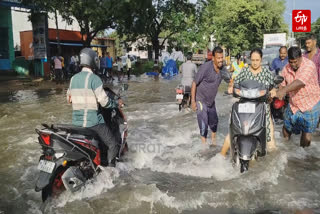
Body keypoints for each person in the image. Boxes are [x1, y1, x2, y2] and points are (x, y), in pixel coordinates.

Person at [67, 48, 122, 167]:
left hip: (76, 123)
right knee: (113, 144)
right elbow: (104, 102)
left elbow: (69, 100)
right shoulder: (94, 79)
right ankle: (111, 173)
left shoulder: (73, 79)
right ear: (93, 60)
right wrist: (116, 104)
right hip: (93, 122)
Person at [221, 48, 277, 157]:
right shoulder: (245, 71)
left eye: (257, 60)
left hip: (262, 107)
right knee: (231, 135)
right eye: (253, 60)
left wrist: (273, 91)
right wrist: (231, 86)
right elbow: (235, 82)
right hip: (244, 107)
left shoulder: (266, 73)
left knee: (271, 144)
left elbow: (273, 86)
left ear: (261, 60)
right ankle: (218, 160)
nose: (255, 63)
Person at [276, 46, 320, 148]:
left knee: (306, 133)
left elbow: (300, 82)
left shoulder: (309, 65)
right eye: (291, 62)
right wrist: (279, 90)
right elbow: (281, 82)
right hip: (293, 104)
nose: (293, 65)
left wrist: (283, 90)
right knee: (286, 128)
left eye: (295, 62)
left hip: (310, 104)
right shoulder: (286, 68)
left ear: (301, 57)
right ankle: (286, 150)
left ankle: (302, 155)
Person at [191, 46, 231, 146]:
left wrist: (232, 86)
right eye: (218, 58)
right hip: (201, 99)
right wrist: (193, 101)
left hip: (211, 101)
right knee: (204, 123)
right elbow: (194, 83)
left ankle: (213, 143)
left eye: (222, 57)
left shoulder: (223, 69)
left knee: (214, 123)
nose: (221, 60)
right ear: (213, 58)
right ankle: (204, 146)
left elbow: (230, 81)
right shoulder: (205, 68)